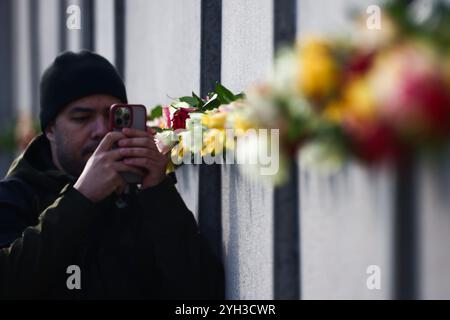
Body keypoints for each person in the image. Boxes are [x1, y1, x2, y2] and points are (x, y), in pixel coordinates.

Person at [0, 51, 224, 299]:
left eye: (113, 116)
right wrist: (81, 198)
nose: (100, 131)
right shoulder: (15, 197)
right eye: (81, 118)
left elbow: (204, 293)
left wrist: (157, 190)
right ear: (51, 130)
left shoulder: (139, 195)